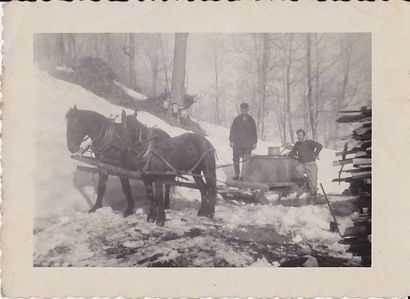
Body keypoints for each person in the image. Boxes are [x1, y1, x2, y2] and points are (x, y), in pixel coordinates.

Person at [288, 129, 323, 201]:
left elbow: (319, 146)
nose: (299, 137)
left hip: (311, 164)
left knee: (313, 180)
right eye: (298, 135)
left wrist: (315, 154)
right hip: (302, 164)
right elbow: (292, 152)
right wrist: (295, 156)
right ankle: (305, 185)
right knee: (297, 172)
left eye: (300, 135)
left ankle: (313, 195)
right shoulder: (297, 144)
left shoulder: (309, 142)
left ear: (304, 135)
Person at [229, 102, 257, 180]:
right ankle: (237, 175)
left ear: (248, 110)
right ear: (240, 110)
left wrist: (255, 142)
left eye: (245, 110)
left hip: (248, 144)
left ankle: (244, 176)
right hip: (237, 144)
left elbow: (254, 132)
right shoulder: (236, 120)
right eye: (242, 110)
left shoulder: (251, 120)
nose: (244, 111)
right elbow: (232, 131)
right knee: (236, 159)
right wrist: (231, 140)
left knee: (246, 160)